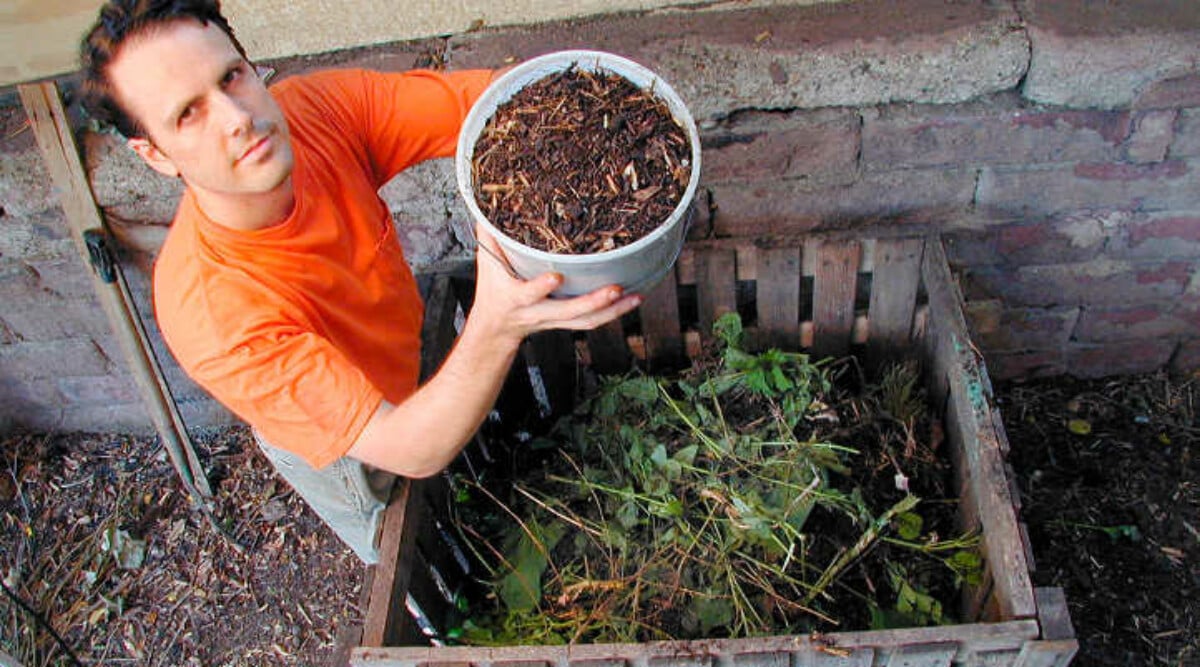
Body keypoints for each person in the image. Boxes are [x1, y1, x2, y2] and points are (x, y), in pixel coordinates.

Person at [79, 0, 642, 564]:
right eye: (188, 114)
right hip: (352, 445)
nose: (236, 118)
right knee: (407, 541)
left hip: (402, 349)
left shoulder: (314, 113)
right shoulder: (213, 314)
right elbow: (410, 449)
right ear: (154, 154)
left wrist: (614, 124)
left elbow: (499, 105)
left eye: (231, 76)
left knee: (452, 438)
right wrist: (497, 324)